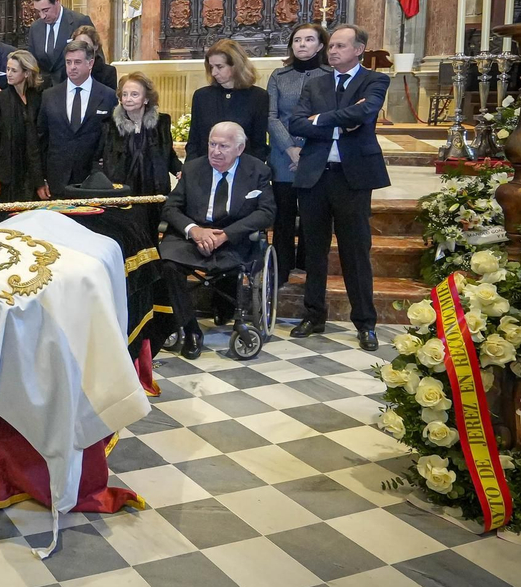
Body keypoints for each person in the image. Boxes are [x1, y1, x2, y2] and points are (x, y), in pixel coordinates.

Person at [289, 23, 390, 350]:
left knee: (355, 250)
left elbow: (366, 110)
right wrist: (341, 120)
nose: (332, 51)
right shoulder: (314, 83)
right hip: (316, 174)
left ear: (359, 49)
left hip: (353, 177)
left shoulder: (375, 80)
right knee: (313, 250)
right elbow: (297, 123)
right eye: (331, 46)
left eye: (341, 46)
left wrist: (321, 120)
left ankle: (365, 322)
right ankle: (313, 314)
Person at [158, 122, 276, 359]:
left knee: (237, 262)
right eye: (212, 144)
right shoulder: (192, 169)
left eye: (223, 146)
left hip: (233, 238)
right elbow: (171, 208)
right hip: (193, 237)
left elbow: (266, 212)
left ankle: (231, 314)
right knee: (167, 263)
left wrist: (227, 234)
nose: (215, 151)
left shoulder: (257, 171)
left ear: (239, 149)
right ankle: (191, 329)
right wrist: (194, 231)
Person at [266, 23, 327, 286]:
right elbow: (272, 116)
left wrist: (305, 150)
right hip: (282, 156)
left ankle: (307, 264)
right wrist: (290, 149)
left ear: (321, 45)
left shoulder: (330, 75)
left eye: (309, 39)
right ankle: (281, 267)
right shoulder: (279, 76)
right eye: (297, 40)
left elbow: (328, 116)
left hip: (316, 154)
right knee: (283, 215)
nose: (302, 44)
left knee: (314, 217)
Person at [99, 72, 182, 230]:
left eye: (134, 94)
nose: (128, 99)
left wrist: (180, 170)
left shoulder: (161, 123)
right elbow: (98, 159)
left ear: (146, 99)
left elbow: (168, 155)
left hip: (153, 191)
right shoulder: (109, 126)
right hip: (122, 193)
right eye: (125, 94)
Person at [38, 39, 116, 198]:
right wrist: (40, 179)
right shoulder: (49, 95)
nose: (72, 67)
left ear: (90, 63)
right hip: (57, 180)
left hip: (93, 181)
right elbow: (41, 139)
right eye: (68, 62)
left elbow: (112, 141)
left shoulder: (107, 96)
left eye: (78, 62)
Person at [186, 39, 269, 163]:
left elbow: (259, 145)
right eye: (211, 67)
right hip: (205, 168)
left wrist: (251, 174)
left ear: (236, 65)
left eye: (219, 67)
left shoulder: (258, 96)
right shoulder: (201, 96)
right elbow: (194, 141)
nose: (214, 72)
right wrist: (190, 170)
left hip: (243, 171)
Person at [0, 49, 43, 203]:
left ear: (26, 73)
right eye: (8, 69)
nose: (9, 73)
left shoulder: (37, 98)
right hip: (7, 172)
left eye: (14, 70)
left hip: (31, 171)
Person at [27, 0, 94, 84]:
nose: (42, 16)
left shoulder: (79, 21)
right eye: (38, 11)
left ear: (57, 1)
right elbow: (31, 60)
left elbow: (95, 56)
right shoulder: (35, 27)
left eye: (46, 10)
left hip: (72, 86)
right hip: (43, 91)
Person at [70, 23, 118, 91]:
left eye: (85, 44)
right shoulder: (68, 70)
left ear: (95, 46)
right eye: (78, 44)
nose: (81, 48)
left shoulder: (107, 72)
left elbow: (109, 98)